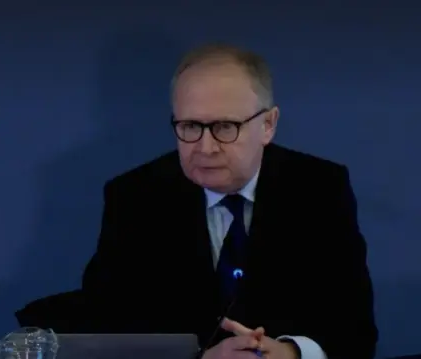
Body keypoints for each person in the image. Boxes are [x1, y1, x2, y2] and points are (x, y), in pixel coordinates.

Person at [81, 44, 378, 359]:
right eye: (191, 126)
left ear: (268, 125)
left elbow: (356, 330)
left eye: (225, 127)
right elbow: (104, 329)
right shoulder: (135, 197)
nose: (205, 148)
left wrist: (291, 354)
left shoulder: (319, 189)